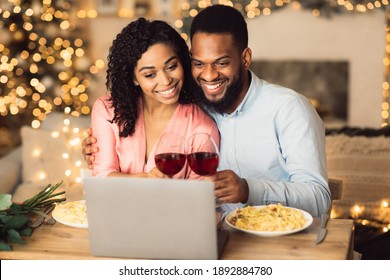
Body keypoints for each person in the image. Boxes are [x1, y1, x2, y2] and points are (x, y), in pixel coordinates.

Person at [82, 5, 330, 217]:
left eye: (221, 63)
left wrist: (248, 189)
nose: (209, 75)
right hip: (213, 236)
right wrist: (96, 148)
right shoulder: (195, 101)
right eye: (199, 64)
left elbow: (319, 197)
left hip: (282, 238)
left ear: (245, 58)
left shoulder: (288, 108)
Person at [90, 18, 219, 179]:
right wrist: (144, 181)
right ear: (134, 78)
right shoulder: (107, 110)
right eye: (150, 75)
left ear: (183, 63)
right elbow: (102, 174)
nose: (165, 81)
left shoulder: (202, 128)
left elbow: (200, 196)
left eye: (171, 67)